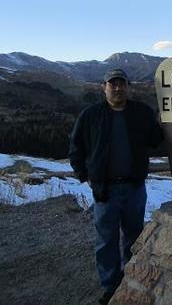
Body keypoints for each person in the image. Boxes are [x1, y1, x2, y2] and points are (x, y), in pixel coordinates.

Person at [68, 68, 163, 305]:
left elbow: (155, 139)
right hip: (105, 190)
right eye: (113, 84)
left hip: (134, 188)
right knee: (106, 240)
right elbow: (76, 147)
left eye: (122, 84)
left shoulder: (141, 112)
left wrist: (165, 119)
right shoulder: (91, 115)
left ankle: (132, 279)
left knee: (134, 236)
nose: (118, 88)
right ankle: (111, 287)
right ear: (104, 87)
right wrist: (84, 175)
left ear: (128, 87)